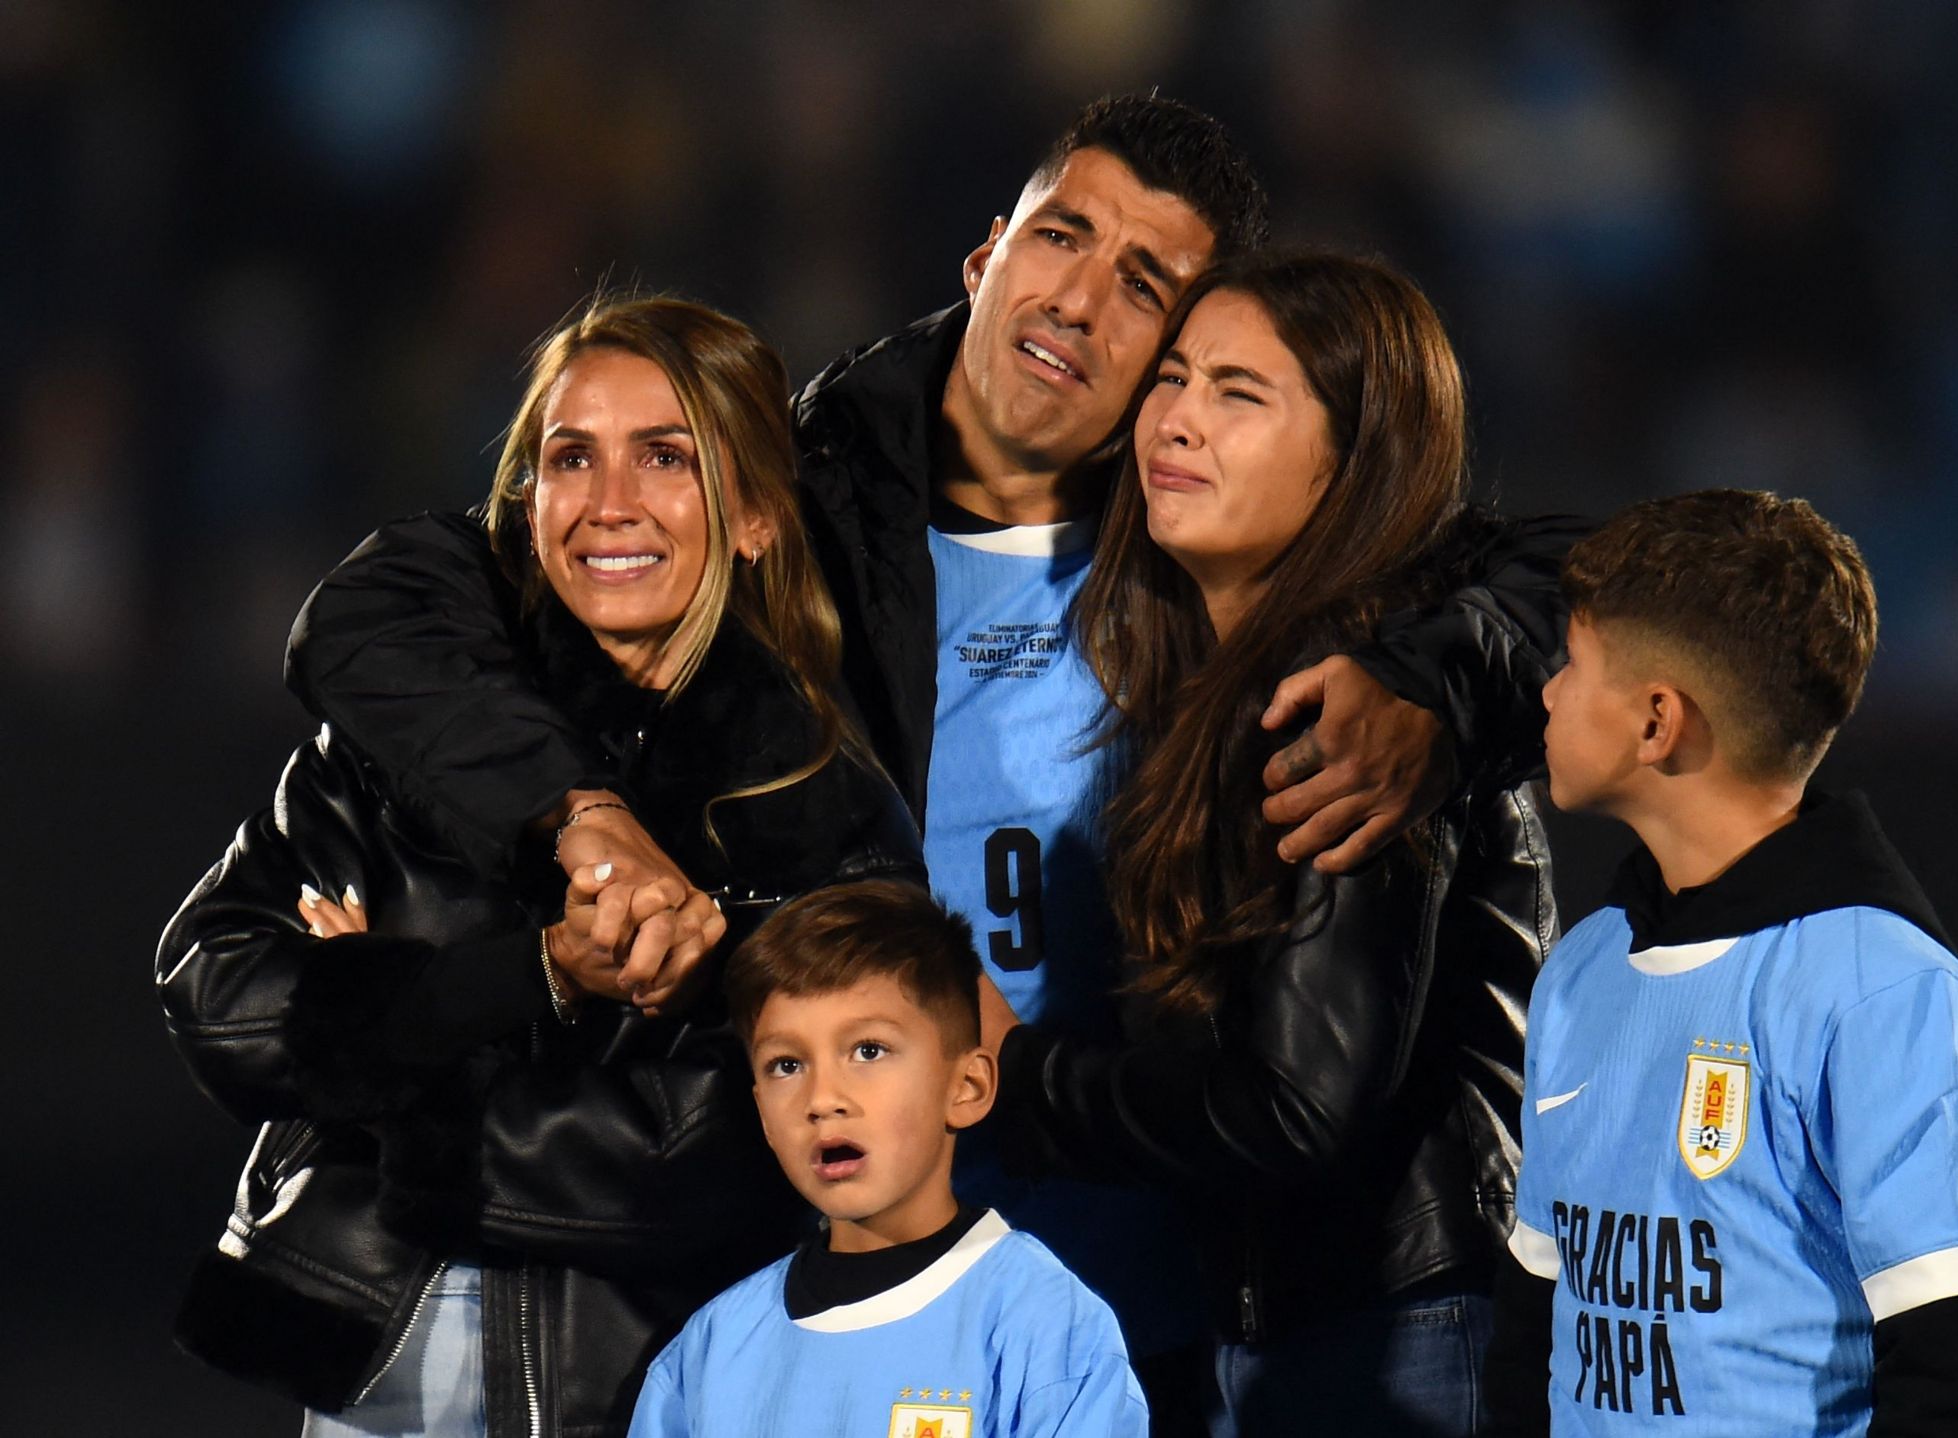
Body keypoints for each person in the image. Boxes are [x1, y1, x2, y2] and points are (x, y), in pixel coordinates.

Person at [279, 94, 1569, 1411]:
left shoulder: (1233, 547)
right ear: (984, 254)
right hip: (855, 1317)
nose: (1079, 299)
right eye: (1062, 236)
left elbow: (1581, 587)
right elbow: (389, 604)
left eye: (1144, 287)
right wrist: (576, 815)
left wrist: (1436, 678)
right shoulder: (800, 500)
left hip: (1169, 1323)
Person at [157, 296, 924, 1438]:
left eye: (665, 456)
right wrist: (532, 979)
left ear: (756, 512)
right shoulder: (398, 746)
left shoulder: (820, 809)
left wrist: (392, 1069)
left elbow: (729, 1158)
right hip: (373, 1387)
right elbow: (219, 1000)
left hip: (664, 1391)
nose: (610, 503)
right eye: (571, 457)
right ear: (528, 499)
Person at [981, 250, 1551, 1438]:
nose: (1178, 421)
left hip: (1395, 1342)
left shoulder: (1343, 696)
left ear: (1355, 460)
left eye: (1240, 394)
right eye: (1174, 379)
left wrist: (1012, 1083)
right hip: (1309, 1335)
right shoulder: (1214, 674)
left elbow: (1293, 1108)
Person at [1484, 490, 1958, 1435]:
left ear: (1658, 722)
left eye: (1571, 664)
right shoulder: (1582, 968)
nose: (1546, 690)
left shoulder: (1890, 997)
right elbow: (1536, 1320)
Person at [628, 881, 1146, 1438]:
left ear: (967, 1086)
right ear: (761, 1112)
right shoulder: (708, 1351)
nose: (823, 1099)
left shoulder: (1045, 1325)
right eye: (786, 1065)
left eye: (868, 1051)